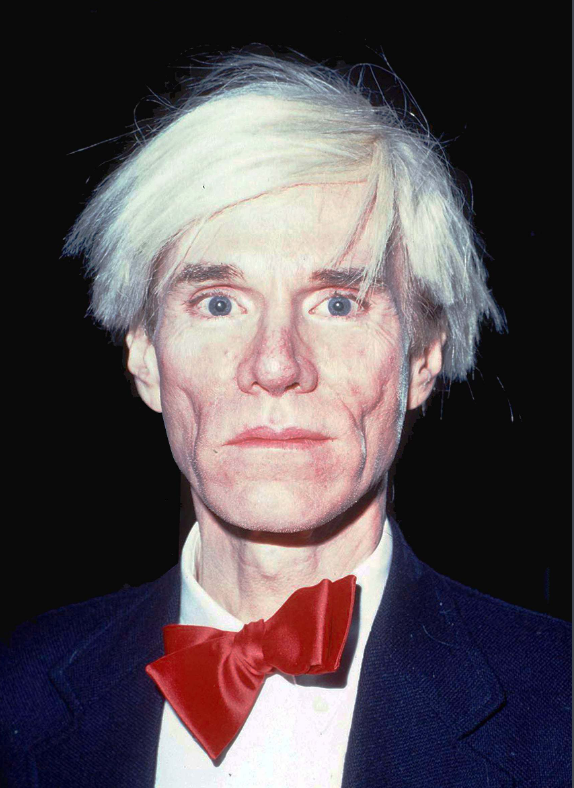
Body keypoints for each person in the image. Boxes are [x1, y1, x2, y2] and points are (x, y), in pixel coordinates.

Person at [1, 50, 570, 788]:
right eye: (218, 304)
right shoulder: (19, 690)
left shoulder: (558, 706)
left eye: (338, 303)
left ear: (423, 356)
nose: (275, 364)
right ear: (144, 355)